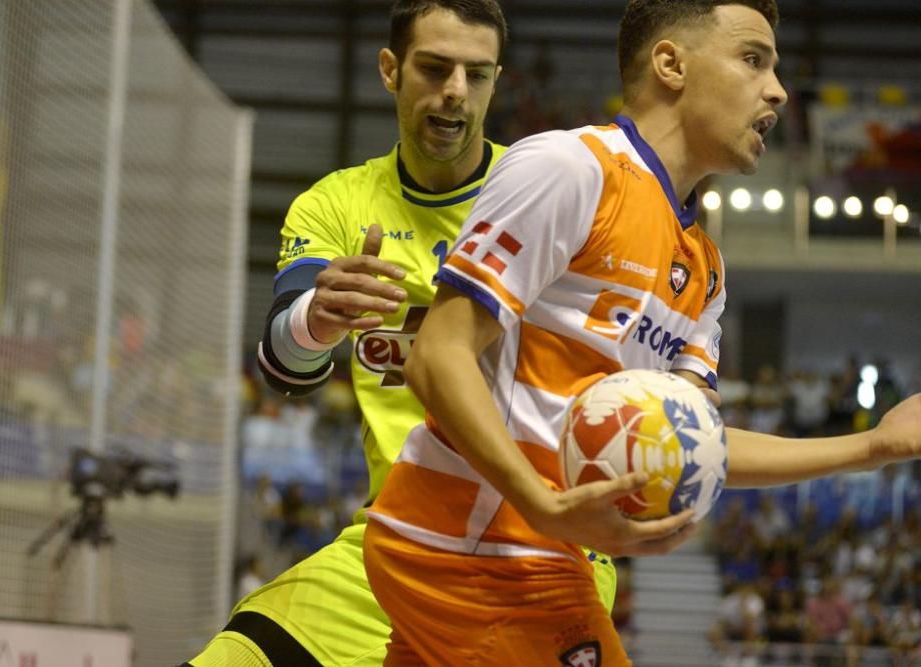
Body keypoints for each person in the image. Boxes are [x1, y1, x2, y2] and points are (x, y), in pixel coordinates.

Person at [362, 0, 921, 663]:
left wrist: (873, 447)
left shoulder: (705, 269)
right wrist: (541, 502)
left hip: (534, 545)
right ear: (670, 64)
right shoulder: (573, 169)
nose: (777, 89)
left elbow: (697, 441)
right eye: (753, 59)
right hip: (478, 539)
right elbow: (439, 354)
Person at [183, 2, 618, 666]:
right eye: (435, 68)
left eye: (476, 75)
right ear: (391, 70)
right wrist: (315, 320)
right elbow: (283, 364)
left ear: (496, 82)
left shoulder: (551, 192)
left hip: (538, 548)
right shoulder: (336, 204)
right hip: (397, 540)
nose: (455, 92)